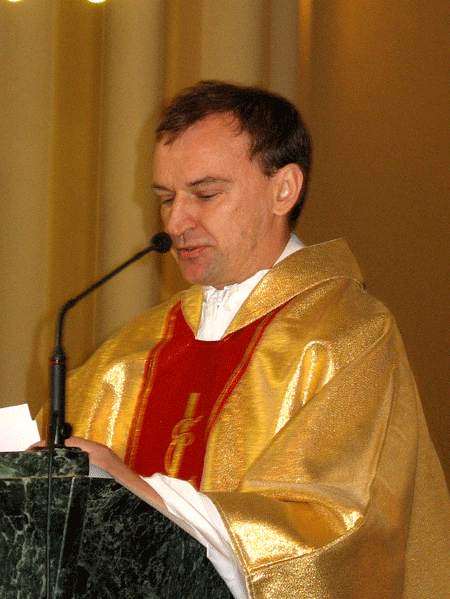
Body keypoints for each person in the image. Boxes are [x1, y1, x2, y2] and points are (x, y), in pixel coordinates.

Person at [41, 81, 450, 598]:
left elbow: (338, 530)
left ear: (284, 190)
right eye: (166, 198)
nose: (176, 222)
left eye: (205, 194)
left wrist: (142, 492)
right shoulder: (130, 352)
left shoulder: (348, 335)